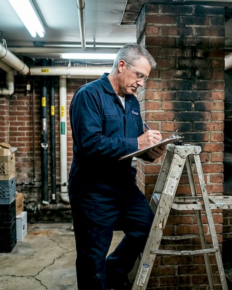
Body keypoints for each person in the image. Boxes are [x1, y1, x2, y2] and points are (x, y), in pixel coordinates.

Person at [68, 43, 165, 290]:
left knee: (146, 227)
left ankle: (113, 270)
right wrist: (136, 142)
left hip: (123, 185)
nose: (141, 83)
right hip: (92, 189)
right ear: (122, 66)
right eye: (139, 75)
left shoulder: (132, 103)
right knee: (92, 258)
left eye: (145, 78)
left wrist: (150, 152)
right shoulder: (88, 95)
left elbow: (131, 144)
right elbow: (90, 145)